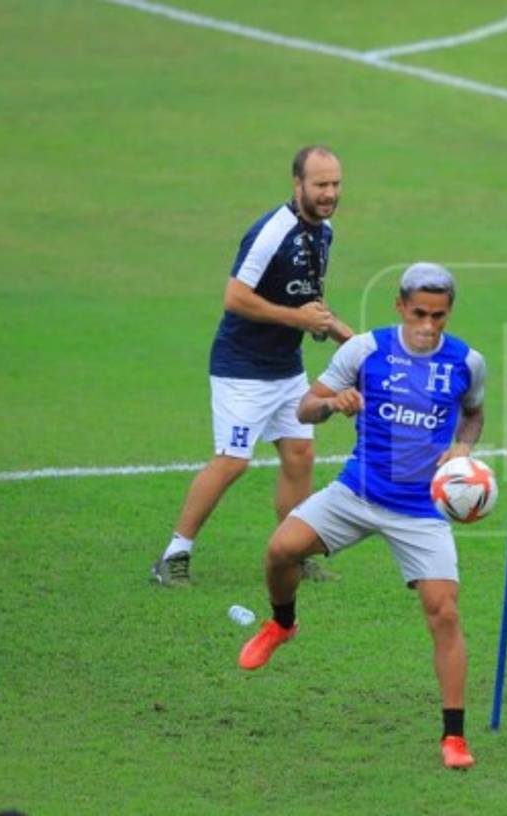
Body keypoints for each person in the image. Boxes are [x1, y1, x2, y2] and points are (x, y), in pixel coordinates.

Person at [236, 263, 486, 770]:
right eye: (419, 312)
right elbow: (305, 408)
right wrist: (333, 404)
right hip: (358, 492)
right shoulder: (365, 351)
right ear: (400, 306)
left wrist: (462, 447)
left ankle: (454, 738)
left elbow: (474, 413)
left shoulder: (467, 361)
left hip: (421, 508)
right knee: (280, 550)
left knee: (445, 612)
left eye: (439, 315)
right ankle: (283, 624)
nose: (429, 324)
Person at [151, 146, 353, 587]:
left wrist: (346, 337)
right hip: (241, 369)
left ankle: (292, 554)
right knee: (232, 462)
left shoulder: (323, 232)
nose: (329, 193)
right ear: (297, 184)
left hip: (287, 367)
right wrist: (298, 319)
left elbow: (307, 300)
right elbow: (235, 297)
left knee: (300, 455)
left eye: (335, 184)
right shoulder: (270, 232)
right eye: (320, 184)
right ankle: (173, 555)